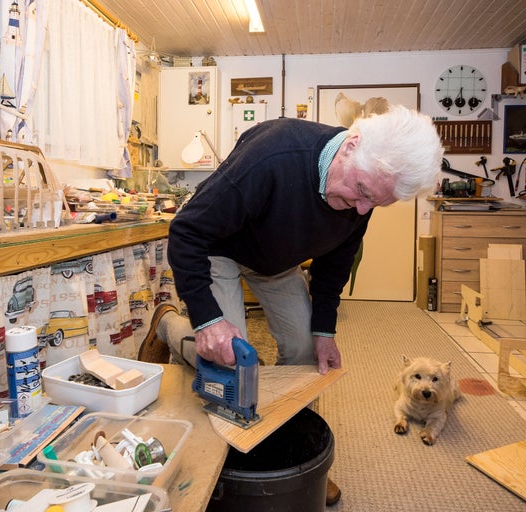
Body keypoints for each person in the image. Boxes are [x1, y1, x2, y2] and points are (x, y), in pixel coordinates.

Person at [139, 104, 443, 506]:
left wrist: (324, 331)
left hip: (277, 264)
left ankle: (286, 444)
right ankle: (169, 325)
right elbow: (187, 231)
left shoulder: (363, 192)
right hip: (221, 250)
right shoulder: (274, 155)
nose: (364, 209)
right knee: (226, 356)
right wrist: (209, 319)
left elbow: (335, 265)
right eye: (363, 193)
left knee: (304, 353)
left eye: (376, 204)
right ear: (351, 146)